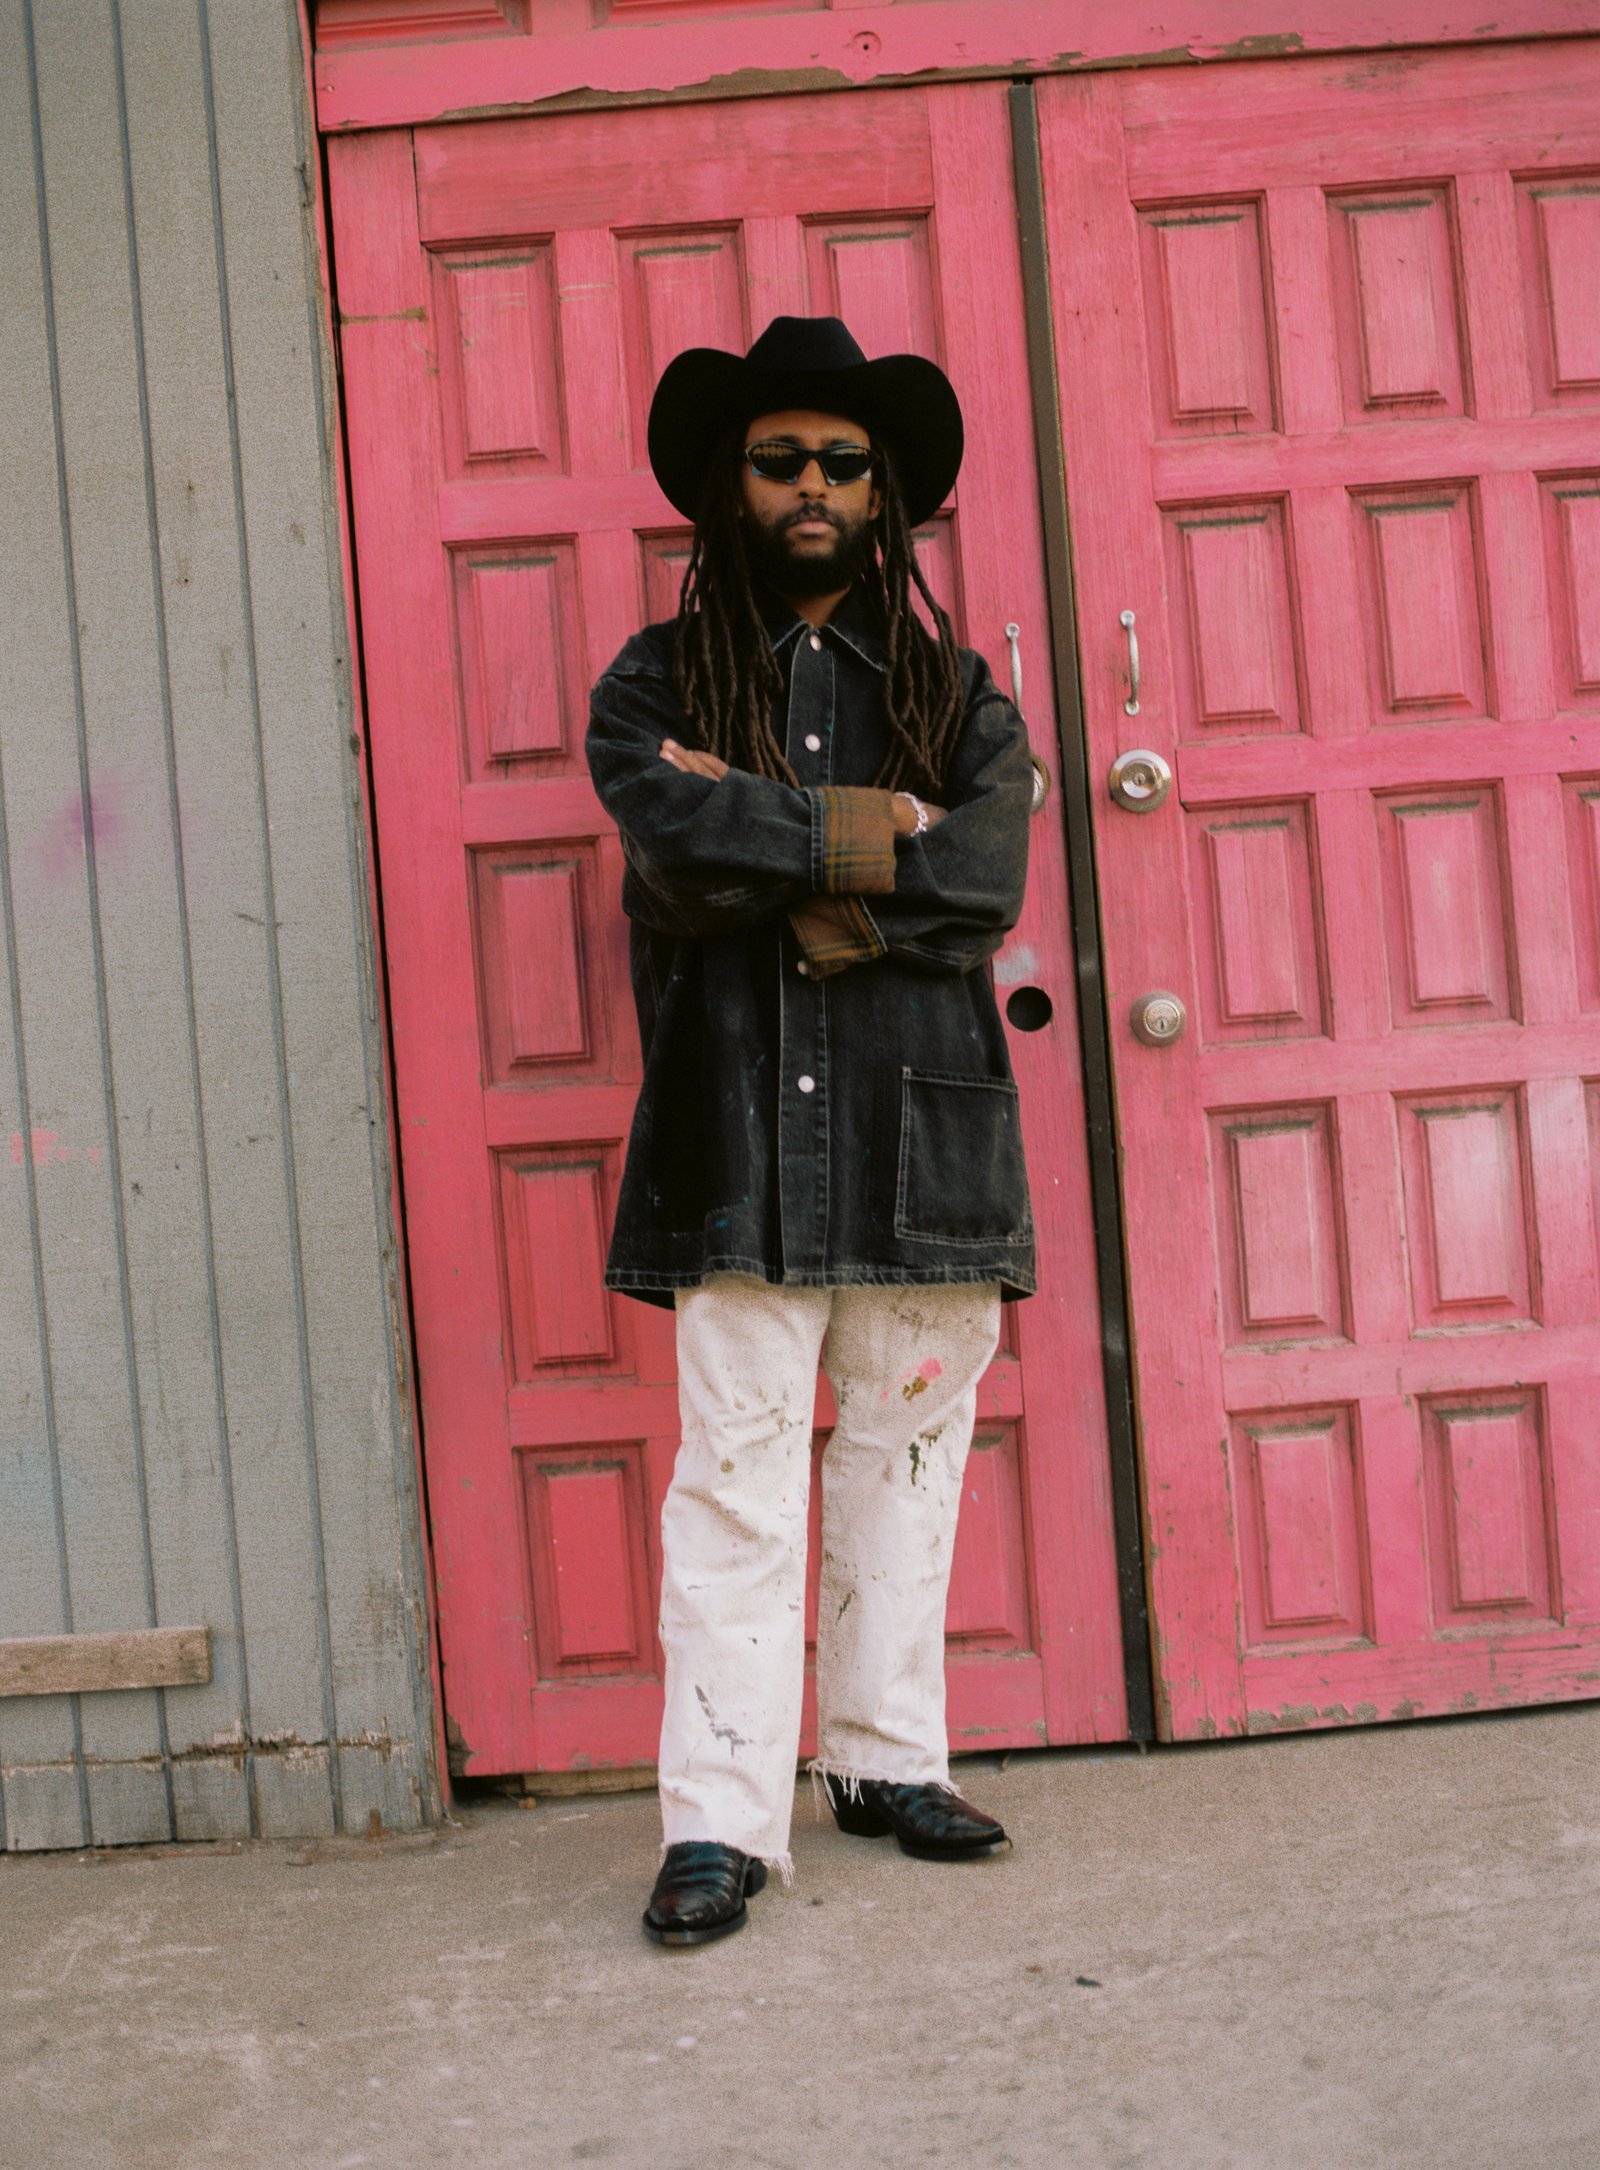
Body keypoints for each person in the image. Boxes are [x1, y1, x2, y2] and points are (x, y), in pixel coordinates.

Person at [586, 316, 1036, 1947]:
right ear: (732, 485)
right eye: (779, 459)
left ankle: (886, 1759)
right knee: (737, 1481)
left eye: (843, 463)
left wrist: (776, 843)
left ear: (883, 491)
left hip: (923, 1142)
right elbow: (677, 859)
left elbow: (983, 880)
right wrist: (883, 834)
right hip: (740, 1142)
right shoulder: (655, 684)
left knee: (908, 1463)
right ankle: (718, 1822)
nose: (814, 487)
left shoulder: (952, 689)